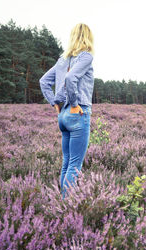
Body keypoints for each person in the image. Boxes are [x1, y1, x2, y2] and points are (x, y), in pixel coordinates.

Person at [40, 23, 94, 197]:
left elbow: (44, 82)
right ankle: (66, 207)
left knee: (67, 162)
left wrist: (54, 103)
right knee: (74, 165)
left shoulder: (62, 59)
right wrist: (75, 104)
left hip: (63, 116)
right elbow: (71, 78)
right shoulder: (86, 57)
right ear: (88, 37)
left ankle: (61, 202)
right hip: (77, 113)